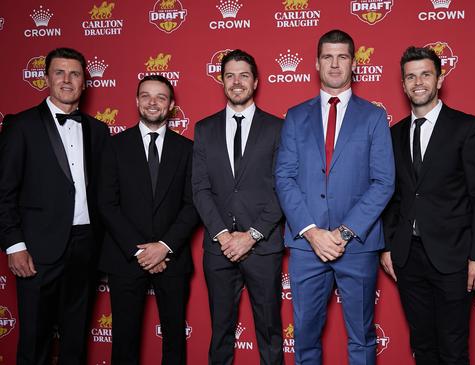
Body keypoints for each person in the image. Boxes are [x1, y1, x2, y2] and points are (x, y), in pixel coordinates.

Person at [275, 29, 395, 365]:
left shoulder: (373, 116)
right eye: (328, 56)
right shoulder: (296, 116)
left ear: (354, 63)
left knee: (361, 338)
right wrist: (312, 233)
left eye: (342, 56)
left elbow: (384, 181)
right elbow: (284, 177)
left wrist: (343, 233)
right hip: (306, 245)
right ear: (316, 63)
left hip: (356, 245)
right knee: (306, 339)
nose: (335, 63)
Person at [381, 46, 475, 364]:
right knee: (422, 343)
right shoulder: (393, 134)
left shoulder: (466, 127)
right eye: (411, 76)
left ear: (440, 79)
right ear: (403, 84)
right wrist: (389, 245)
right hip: (408, 256)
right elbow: (392, 195)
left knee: (453, 344)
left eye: (425, 74)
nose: (418, 82)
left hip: (454, 256)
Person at [0, 47, 109, 365]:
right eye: (59, 72)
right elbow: (4, 191)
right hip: (36, 250)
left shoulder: (97, 130)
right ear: (46, 78)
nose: (67, 80)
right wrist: (14, 245)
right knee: (35, 339)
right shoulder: (21, 126)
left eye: (75, 74)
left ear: (84, 82)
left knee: (76, 338)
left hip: (86, 247)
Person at [192, 49, 285, 365]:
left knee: (270, 332)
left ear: (255, 81)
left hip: (263, 247)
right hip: (219, 249)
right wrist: (222, 234)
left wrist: (252, 235)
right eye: (230, 75)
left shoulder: (277, 128)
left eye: (243, 75)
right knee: (220, 333)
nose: (236, 82)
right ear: (221, 81)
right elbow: (200, 189)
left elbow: (282, 189)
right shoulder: (204, 129)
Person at [98, 75, 198, 364]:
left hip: (172, 256)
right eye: (146, 96)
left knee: (174, 340)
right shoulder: (114, 146)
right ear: (137, 101)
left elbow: (193, 205)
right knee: (125, 340)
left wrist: (164, 246)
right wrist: (140, 250)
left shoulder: (187, 149)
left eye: (161, 97)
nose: (153, 102)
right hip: (125, 257)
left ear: (171, 105)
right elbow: (106, 204)